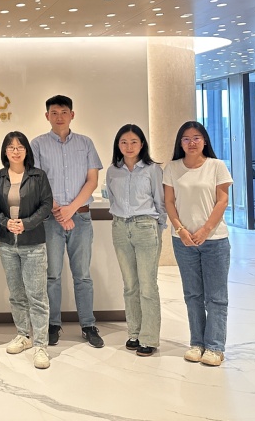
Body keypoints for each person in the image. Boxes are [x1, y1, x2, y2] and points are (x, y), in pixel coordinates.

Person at [30, 95, 104, 348]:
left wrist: (70, 210)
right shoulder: (37, 144)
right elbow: (37, 181)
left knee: (82, 275)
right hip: (50, 218)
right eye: (54, 112)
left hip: (80, 216)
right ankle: (53, 324)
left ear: (72, 114)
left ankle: (88, 325)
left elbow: (92, 181)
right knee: (52, 275)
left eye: (64, 112)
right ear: (47, 116)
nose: (59, 116)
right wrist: (59, 212)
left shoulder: (86, 143)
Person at [163, 121, 233, 367]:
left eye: (196, 138)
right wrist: (180, 230)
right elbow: (169, 202)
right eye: (186, 138)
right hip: (183, 241)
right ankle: (197, 343)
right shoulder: (172, 168)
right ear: (180, 143)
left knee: (216, 297)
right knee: (192, 295)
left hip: (215, 240)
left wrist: (205, 230)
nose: (191, 142)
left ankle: (215, 347)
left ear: (204, 140)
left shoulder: (217, 166)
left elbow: (222, 201)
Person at [0, 131, 53, 369]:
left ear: (27, 150)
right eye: (11, 147)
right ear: (5, 152)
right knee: (16, 294)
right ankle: (23, 335)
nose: (15, 151)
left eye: (20, 147)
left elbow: (46, 205)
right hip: (7, 243)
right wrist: (5, 222)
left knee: (37, 296)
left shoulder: (38, 176)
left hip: (33, 243)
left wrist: (25, 224)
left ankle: (41, 345)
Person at [105, 124, 167, 357]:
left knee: (148, 285)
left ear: (142, 144)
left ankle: (149, 338)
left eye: (133, 142)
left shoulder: (152, 169)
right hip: (120, 227)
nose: (128, 146)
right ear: (118, 145)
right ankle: (134, 332)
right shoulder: (113, 170)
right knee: (130, 284)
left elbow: (160, 202)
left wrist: (158, 228)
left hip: (145, 226)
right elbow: (112, 200)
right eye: (124, 142)